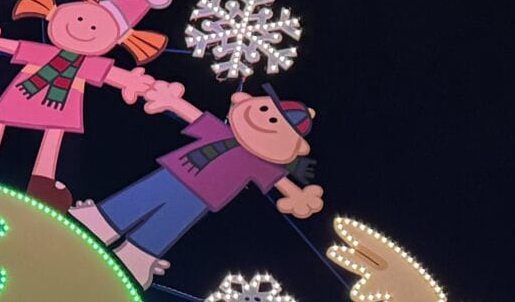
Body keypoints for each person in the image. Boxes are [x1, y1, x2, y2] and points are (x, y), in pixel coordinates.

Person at [0, 0, 182, 207]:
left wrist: (133, 81)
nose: (82, 28)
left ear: (115, 40)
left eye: (94, 27)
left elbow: (112, 75)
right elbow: (14, 47)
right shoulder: (44, 53)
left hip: (61, 102)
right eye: (80, 18)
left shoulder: (87, 64)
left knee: (52, 136)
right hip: (24, 93)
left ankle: (42, 182)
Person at [71, 89, 326, 286]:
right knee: (142, 196)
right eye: (266, 111)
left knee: (169, 222)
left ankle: (137, 255)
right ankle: (102, 221)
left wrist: (298, 196)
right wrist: (170, 100)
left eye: (277, 124)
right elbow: (193, 115)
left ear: (294, 148)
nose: (268, 121)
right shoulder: (220, 132)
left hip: (201, 197)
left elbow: (282, 183)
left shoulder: (259, 164)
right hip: (176, 173)